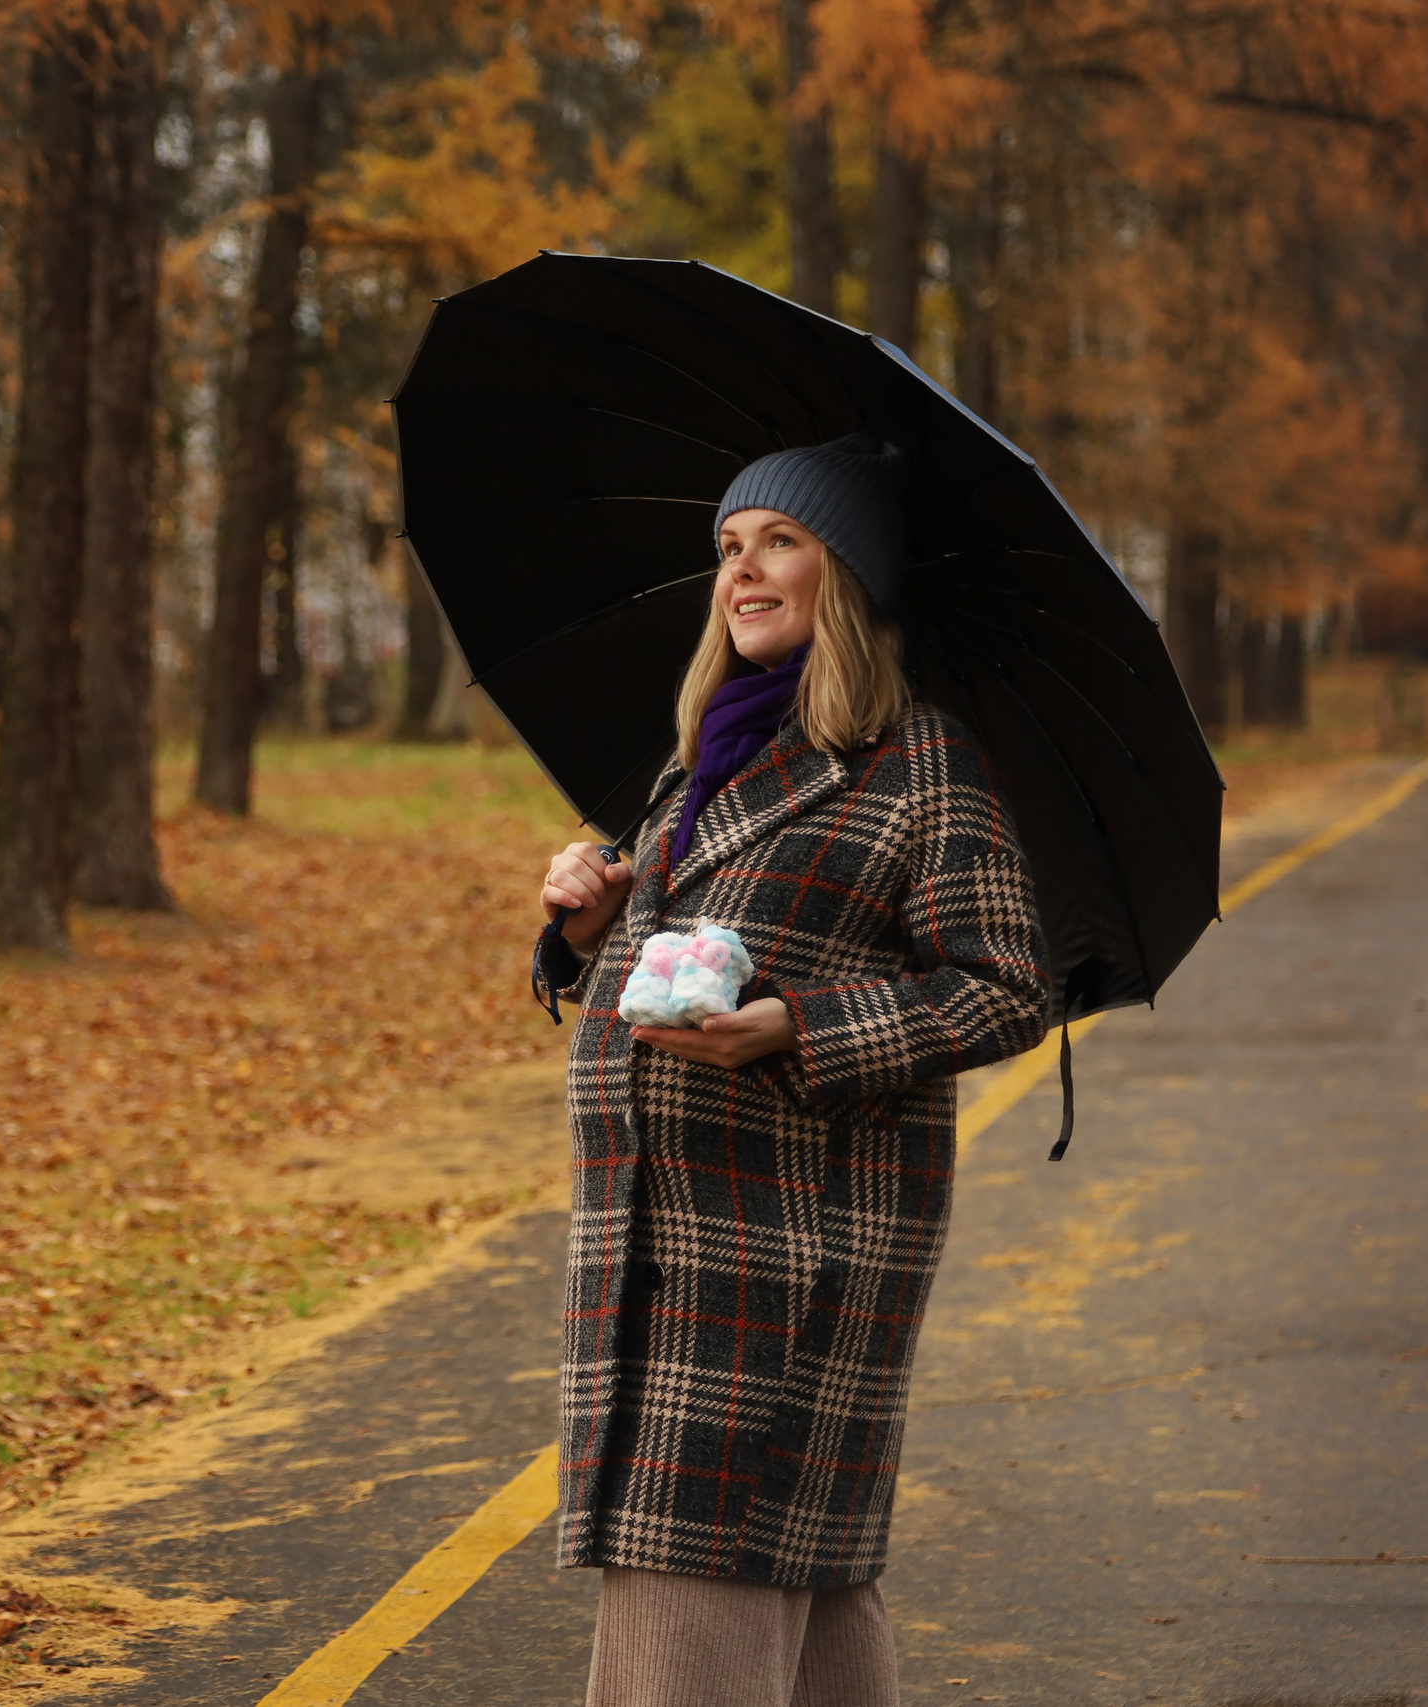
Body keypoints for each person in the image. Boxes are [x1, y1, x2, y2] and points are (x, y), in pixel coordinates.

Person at [531, 435, 1051, 1707]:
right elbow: (670, 970)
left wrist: (796, 1029)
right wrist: (591, 926)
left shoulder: (920, 767)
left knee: (694, 1584)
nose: (742, 572)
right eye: (726, 547)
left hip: (784, 1254)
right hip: (655, 1244)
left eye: (781, 542)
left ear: (849, 579)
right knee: (805, 1593)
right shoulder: (699, 765)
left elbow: (1005, 986)